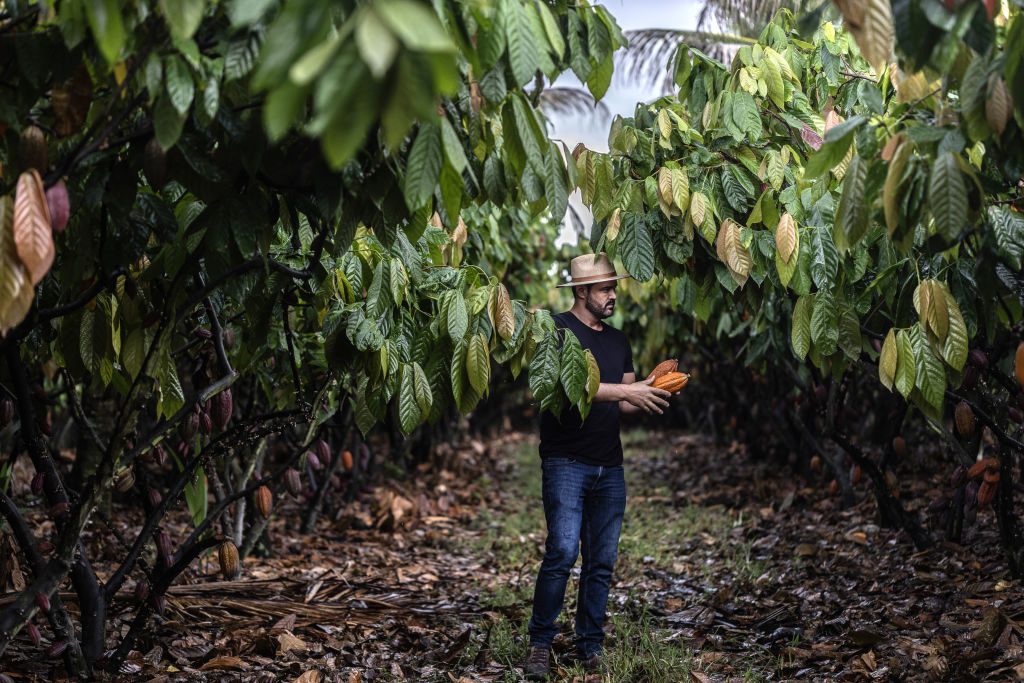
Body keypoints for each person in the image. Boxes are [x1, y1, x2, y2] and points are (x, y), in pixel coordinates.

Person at [523, 253, 674, 679]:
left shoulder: (619, 340)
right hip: (565, 460)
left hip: (610, 467)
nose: (613, 295)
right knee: (562, 552)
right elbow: (564, 387)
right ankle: (540, 645)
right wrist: (626, 392)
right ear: (582, 292)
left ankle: (589, 646)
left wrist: (651, 391)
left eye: (613, 288)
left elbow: (623, 401)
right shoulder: (554, 330)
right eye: (605, 289)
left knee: (601, 562)